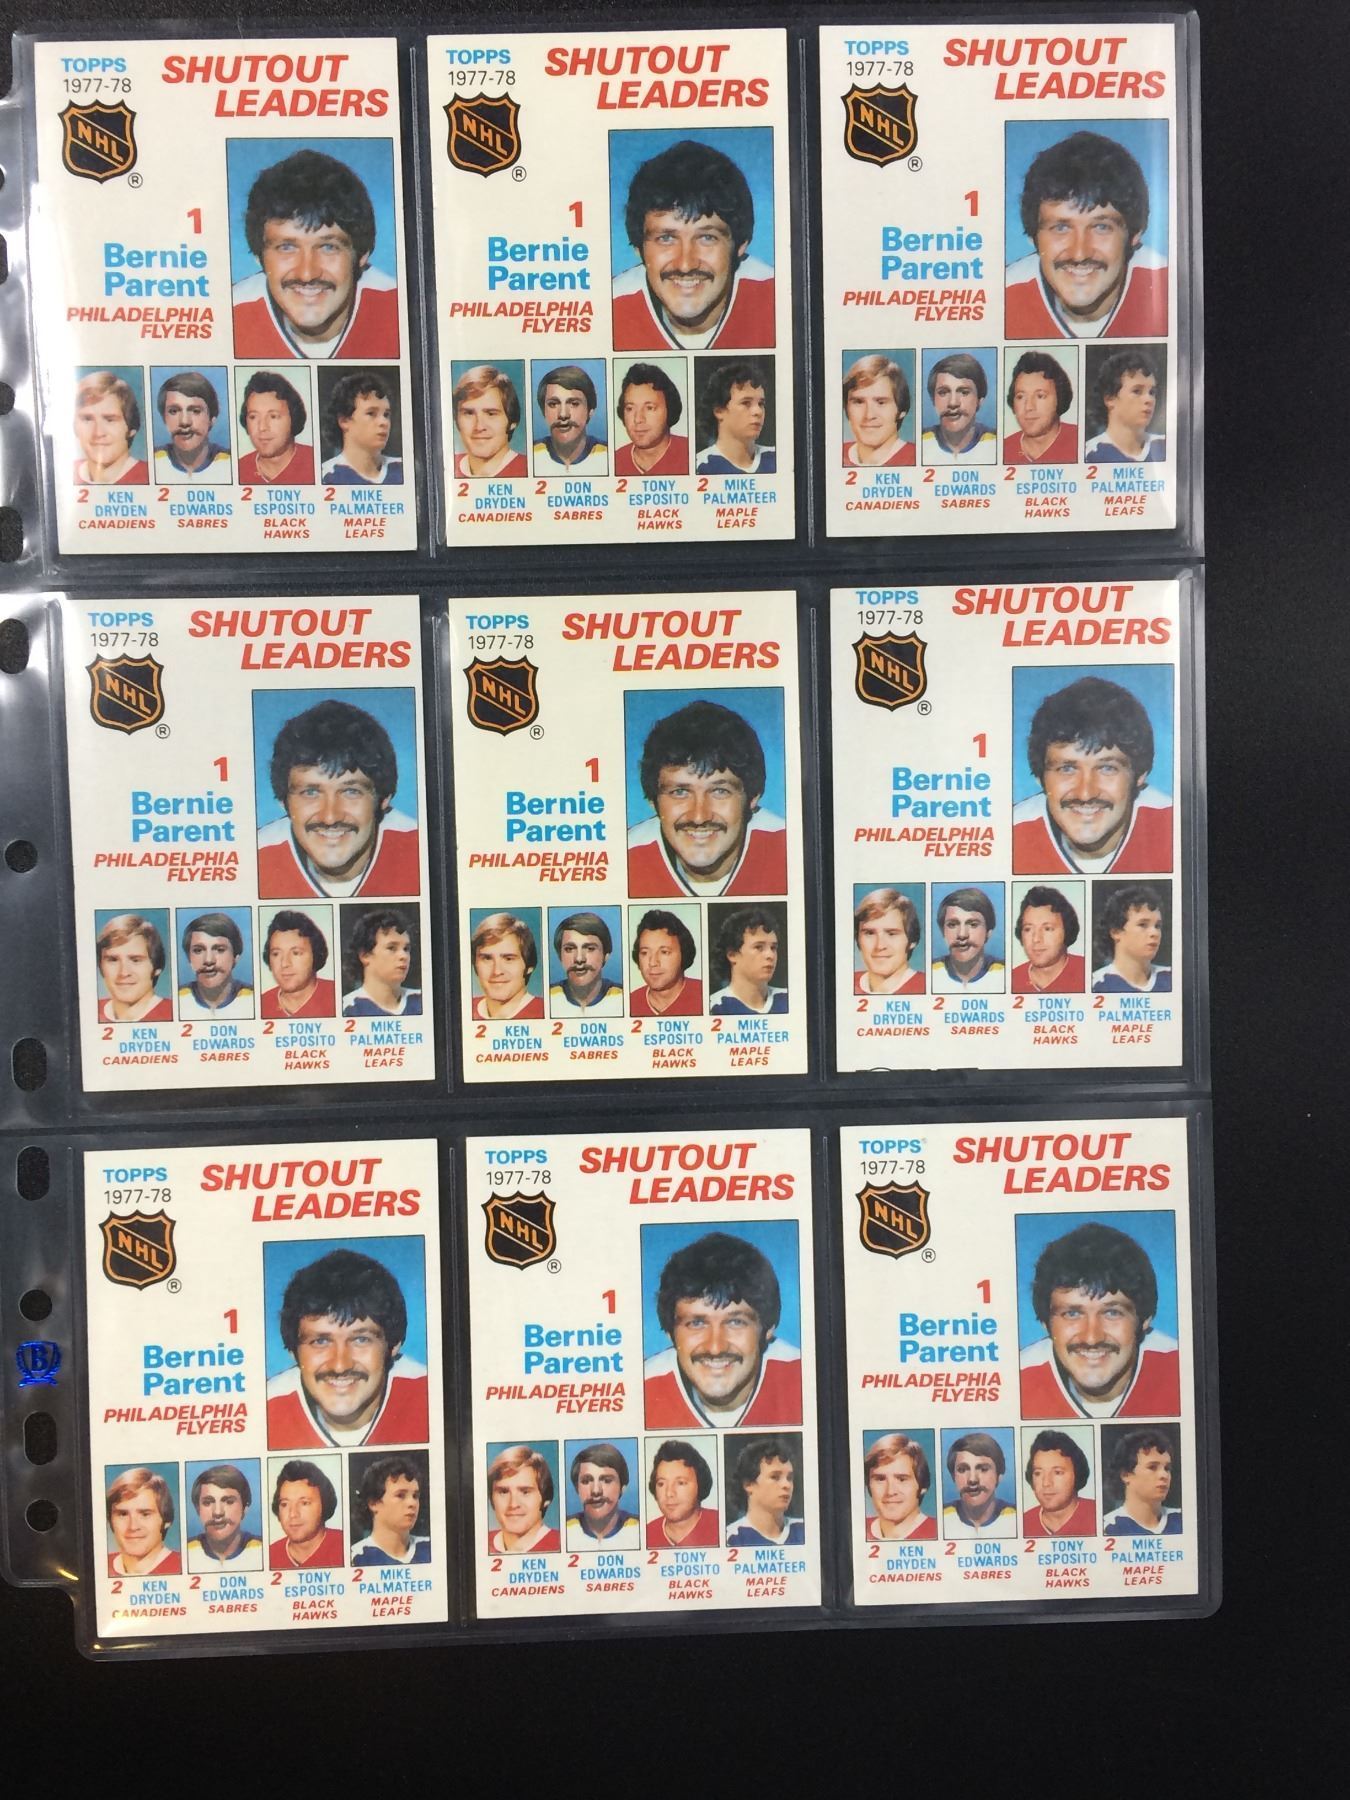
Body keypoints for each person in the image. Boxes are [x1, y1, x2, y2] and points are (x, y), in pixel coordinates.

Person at [233, 147, 398, 359]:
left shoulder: (400, 311)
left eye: (328, 247)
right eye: (287, 247)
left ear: (362, 254)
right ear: (259, 256)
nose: (307, 274)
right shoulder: (229, 315)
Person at [613, 138, 773, 351]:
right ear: (638, 248)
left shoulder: (779, 300)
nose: (686, 265)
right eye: (666, 238)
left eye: (707, 238)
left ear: (740, 245)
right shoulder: (609, 309)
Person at [1006, 130, 1166, 340]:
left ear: (1135, 234)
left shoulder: (1170, 289)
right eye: (1061, 228)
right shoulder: (1003, 295)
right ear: (1033, 235)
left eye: (1101, 227)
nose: (1079, 253)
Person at [267, 1246, 429, 1448]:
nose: (340, 1365)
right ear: (293, 1351)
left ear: (393, 1344)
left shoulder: (432, 1395)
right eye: (321, 1342)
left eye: (360, 1340)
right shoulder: (265, 1408)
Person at [259, 697, 419, 899]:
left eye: (351, 791)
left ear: (383, 799)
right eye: (311, 793)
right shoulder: (256, 857)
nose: (330, 817)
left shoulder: (421, 851)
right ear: (284, 802)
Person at [1021, 1220, 1181, 1418]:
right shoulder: (1018, 1380)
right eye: (1072, 1314)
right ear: (1046, 1323)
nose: (1092, 1338)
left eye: (1112, 1313)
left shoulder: (1183, 1370)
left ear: (1145, 1319)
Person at [1014, 675, 1172, 875]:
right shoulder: (1011, 834)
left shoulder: (1175, 828)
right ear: (1040, 777)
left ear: (1140, 774)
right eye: (1067, 769)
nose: (1085, 793)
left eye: (1107, 768)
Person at [628, 698, 786, 898]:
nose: (699, 817)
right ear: (653, 800)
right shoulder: (625, 857)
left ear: (753, 797)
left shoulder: (791, 850)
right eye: (680, 792)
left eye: (719, 791)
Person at [644, 1231, 801, 1429]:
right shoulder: (642, 1388)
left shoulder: (806, 1379)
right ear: (670, 1332)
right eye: (696, 1323)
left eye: (735, 1322)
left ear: (768, 1328)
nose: (715, 1347)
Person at [321, 369, 402, 485]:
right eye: (371, 413)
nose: (384, 422)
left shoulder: (405, 468)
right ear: (344, 421)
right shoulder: (326, 475)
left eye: (386, 415)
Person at [1085, 349, 1166, 462]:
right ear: (1109, 399)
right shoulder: (1089, 454)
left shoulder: (1167, 446)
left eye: (1152, 392)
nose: (1149, 399)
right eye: (1137, 391)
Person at [695, 360, 775, 474]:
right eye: (746, 403)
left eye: (761, 404)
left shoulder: (779, 458)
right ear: (719, 411)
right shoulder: (699, 466)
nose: (758, 411)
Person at [237, 370, 315, 484]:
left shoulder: (316, 462)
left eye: (273, 416)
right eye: (253, 417)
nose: (262, 427)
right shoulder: (239, 469)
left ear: (294, 418)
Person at [1092, 884, 1172, 993]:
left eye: (1157, 926)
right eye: (1143, 925)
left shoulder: (1174, 977)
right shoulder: (1096, 984)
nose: (1155, 933)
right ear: (1116, 932)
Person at [343, 908, 423, 1017]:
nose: (404, 956)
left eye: (406, 949)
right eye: (392, 948)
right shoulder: (347, 1008)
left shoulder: (424, 1000)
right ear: (365, 955)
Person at [353, 1455, 431, 1565]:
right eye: (400, 1495)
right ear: (373, 1503)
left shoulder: (433, 1547)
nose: (412, 1503)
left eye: (415, 1496)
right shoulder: (356, 1557)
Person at [726, 1437, 804, 1547]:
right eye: (775, 1477)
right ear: (748, 1484)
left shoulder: (806, 1529)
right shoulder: (731, 1538)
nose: (786, 1485)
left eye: (789, 1478)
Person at [1103, 1428, 1182, 1535]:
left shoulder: (1184, 1518)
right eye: (1152, 1467)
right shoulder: (1108, 1527)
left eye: (1167, 1468)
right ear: (1126, 1475)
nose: (1164, 1475)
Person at [1003, 350, 1078, 463]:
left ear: (1060, 398)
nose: (1029, 407)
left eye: (1040, 396)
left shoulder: (1080, 441)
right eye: (1020, 397)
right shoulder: (1003, 449)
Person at [153, 371, 231, 480]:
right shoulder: (152, 461)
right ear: (164, 418)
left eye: (195, 411)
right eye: (174, 411)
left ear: (212, 419)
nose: (184, 421)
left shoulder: (230, 463)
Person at [709, 906, 787, 1015]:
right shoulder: (713, 1006)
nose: (770, 955)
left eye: (773, 948)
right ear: (732, 955)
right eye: (759, 947)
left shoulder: (791, 999)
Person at [452, 364, 527, 477]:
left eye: (491, 414)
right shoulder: (447, 467)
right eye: (469, 413)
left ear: (512, 421)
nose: (479, 426)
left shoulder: (530, 468)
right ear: (456, 419)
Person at [615, 362, 688, 476]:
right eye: (630, 408)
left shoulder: (691, 454)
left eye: (649, 408)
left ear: (670, 409)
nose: (638, 419)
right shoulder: (615, 461)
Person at [74, 370, 147, 485]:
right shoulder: (65, 474)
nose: (98, 433)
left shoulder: (148, 475)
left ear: (131, 428)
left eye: (110, 420)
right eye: (87, 419)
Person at [268, 1459, 344, 1569]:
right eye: (284, 1504)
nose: (293, 1514)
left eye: (304, 1503)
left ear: (325, 1504)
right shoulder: (269, 1555)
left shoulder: (346, 1546)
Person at [96, 913, 172, 1023]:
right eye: (113, 960)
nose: (124, 973)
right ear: (101, 966)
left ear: (157, 967)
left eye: (136, 960)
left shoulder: (173, 1012)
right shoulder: (90, 1011)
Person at [260, 910, 336, 1019]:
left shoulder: (337, 996)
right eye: (276, 954)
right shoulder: (261, 1004)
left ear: (315, 954)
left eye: (296, 953)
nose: (284, 963)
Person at [842, 354, 914, 467]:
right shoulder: (835, 455)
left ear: (901, 410)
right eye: (859, 402)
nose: (869, 415)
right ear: (846, 408)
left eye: (881, 402)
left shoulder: (917, 457)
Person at [921, 352, 996, 462]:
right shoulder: (920, 442)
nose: (953, 403)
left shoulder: (997, 443)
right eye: (943, 392)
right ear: (933, 400)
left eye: (964, 392)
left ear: (979, 400)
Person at [176, 912, 253, 1018]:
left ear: (235, 957)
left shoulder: (254, 998)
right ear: (189, 958)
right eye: (198, 950)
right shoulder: (177, 998)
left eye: (220, 950)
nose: (208, 960)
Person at [186, 1464, 263, 1570]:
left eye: (229, 1502)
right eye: (207, 1502)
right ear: (197, 1509)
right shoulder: (185, 1551)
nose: (217, 1512)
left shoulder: (264, 1549)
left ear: (245, 1508)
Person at [1011, 886, 1086, 994]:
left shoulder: (1086, 972)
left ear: (1067, 930)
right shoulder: (1012, 979)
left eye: (1047, 929)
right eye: (1028, 929)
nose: (1036, 939)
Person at [486, 1445, 560, 1554]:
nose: (513, 1504)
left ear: (545, 1498)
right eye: (503, 1492)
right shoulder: (481, 1544)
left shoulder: (561, 1543)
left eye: (525, 1492)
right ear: (491, 1499)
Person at [645, 1440, 720, 1548]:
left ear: (700, 1484)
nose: (669, 1493)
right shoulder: (646, 1533)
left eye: (681, 1483)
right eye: (661, 1484)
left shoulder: (721, 1525)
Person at [532, 364, 607, 471]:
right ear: (544, 411)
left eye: (574, 403)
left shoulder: (609, 455)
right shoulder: (531, 454)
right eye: (553, 404)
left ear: (590, 411)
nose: (563, 414)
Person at [106, 1468, 180, 1576]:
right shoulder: (100, 1566)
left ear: (166, 1520)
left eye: (145, 1514)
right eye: (123, 1514)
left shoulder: (183, 1565)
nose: (133, 1526)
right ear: (110, 1520)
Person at [1022, 1430, 1097, 1537]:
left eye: (1057, 1472)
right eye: (1038, 1473)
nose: (1046, 1483)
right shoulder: (1023, 1523)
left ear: (1077, 1474)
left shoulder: (1099, 1515)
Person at [470, 912, 544, 1020]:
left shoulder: (545, 1010)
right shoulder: (465, 1009)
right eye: (487, 958)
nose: (497, 971)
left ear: (529, 966)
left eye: (508, 959)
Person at [565, 1444, 640, 1549]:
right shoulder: (564, 1529)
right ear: (577, 1488)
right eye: (586, 1481)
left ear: (622, 1487)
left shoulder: (640, 1528)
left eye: (607, 1480)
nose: (596, 1491)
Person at [864, 1433, 937, 1541]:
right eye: (880, 1479)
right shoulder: (859, 1529)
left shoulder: (938, 1531)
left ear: (922, 1486)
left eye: (902, 1479)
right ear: (869, 1485)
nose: (890, 1491)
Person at [630, 909, 704, 1017]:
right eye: (644, 953)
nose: (653, 962)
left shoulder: (705, 996)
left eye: (664, 952)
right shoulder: (630, 1003)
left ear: (684, 953)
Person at [930, 887, 1005, 992]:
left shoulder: (1005, 973)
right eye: (952, 925)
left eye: (973, 924)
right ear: (943, 931)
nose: (962, 934)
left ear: (988, 932)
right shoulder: (930, 972)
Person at [549, 911, 623, 1015]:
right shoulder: (547, 997)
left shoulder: (624, 997)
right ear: (559, 956)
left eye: (590, 948)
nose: (579, 958)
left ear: (605, 956)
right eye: (569, 949)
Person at [942, 1433, 1016, 1536]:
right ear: (953, 1476)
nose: (972, 1479)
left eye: (983, 1469)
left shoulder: (1017, 1517)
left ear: (999, 1476)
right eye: (962, 1469)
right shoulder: (941, 1517)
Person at [854, 888, 924, 996]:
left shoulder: (926, 985)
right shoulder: (846, 984)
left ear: (912, 940)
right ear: (858, 939)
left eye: (891, 934)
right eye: (870, 933)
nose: (880, 946)